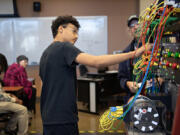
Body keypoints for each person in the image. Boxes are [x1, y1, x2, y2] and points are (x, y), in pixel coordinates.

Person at [39, 15, 151, 135]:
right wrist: (134, 53)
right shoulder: (64, 47)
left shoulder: (45, 54)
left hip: (48, 117)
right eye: (74, 31)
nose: (76, 36)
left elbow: (43, 85)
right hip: (63, 118)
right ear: (61, 29)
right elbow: (97, 62)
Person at [118, 15, 163, 97]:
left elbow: (165, 68)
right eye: (132, 26)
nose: (135, 27)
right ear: (129, 31)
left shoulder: (155, 47)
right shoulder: (125, 53)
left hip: (154, 94)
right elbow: (121, 78)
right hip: (134, 96)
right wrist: (128, 84)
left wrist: (161, 78)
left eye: (138, 24)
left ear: (144, 27)